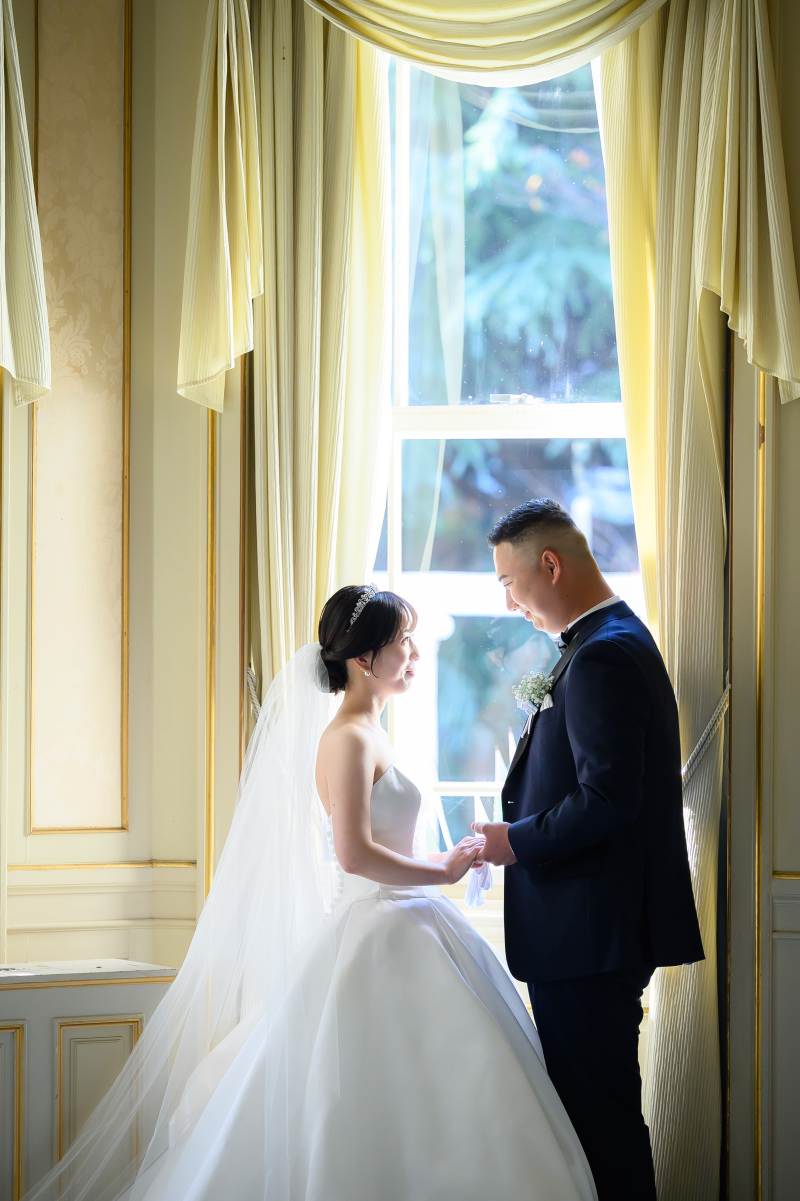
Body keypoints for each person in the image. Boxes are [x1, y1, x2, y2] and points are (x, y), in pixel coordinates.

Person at [23, 583, 596, 1201]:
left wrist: (454, 856)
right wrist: (441, 876)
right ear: (364, 658)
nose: (414, 653)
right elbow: (354, 855)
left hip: (406, 919)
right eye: (403, 641)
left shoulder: (372, 732)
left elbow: (390, 848)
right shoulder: (347, 739)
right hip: (375, 930)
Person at [473, 498, 705, 1201]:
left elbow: (608, 798)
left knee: (601, 1127)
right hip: (591, 933)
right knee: (594, 1122)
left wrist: (515, 841)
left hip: (589, 938)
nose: (510, 603)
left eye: (509, 582)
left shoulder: (603, 653)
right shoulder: (605, 640)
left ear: (549, 564)